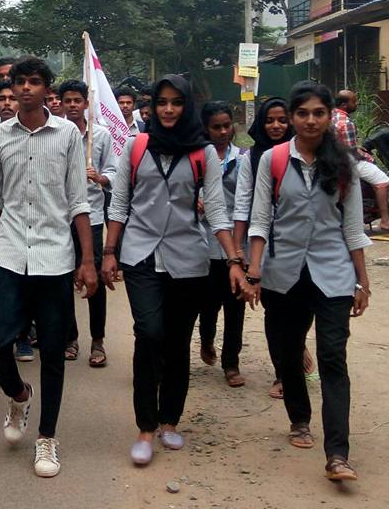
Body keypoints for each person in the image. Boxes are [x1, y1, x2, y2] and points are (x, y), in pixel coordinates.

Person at [104, 75, 251, 467]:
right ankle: (145, 427)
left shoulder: (203, 153)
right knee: (149, 333)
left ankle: (170, 419)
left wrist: (234, 261)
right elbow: (119, 203)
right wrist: (109, 252)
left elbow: (216, 209)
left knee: (177, 341)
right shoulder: (136, 145)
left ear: (187, 107)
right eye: (162, 102)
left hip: (188, 259)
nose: (168, 110)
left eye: (176, 102)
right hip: (140, 255)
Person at [0, 56, 97, 478]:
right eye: (19, 81)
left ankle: (47, 438)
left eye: (34, 82)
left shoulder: (67, 135)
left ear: (47, 90)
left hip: (53, 257)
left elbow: (78, 201)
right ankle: (19, 394)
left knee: (53, 352)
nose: (25, 88)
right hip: (7, 254)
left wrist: (88, 261)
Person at [243, 81, 371, 483]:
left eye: (319, 113)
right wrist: (253, 271)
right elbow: (260, 219)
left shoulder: (344, 163)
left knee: (332, 357)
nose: (311, 120)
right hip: (283, 274)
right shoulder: (274, 160)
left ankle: (338, 454)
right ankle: (299, 418)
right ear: (292, 118)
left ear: (330, 116)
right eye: (303, 113)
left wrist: (362, 282)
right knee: (287, 351)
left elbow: (353, 228)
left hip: (333, 273)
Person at [232, 97, 293, 400]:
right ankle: (283, 372)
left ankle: (295, 349)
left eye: (282, 120)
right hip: (264, 243)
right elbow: (243, 201)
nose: (276, 126)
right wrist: (238, 249)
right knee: (273, 307)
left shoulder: (305, 154)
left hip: (299, 242)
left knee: (299, 306)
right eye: (270, 120)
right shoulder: (252, 159)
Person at [58, 80, 116, 367]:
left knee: (94, 278)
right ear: (61, 103)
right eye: (67, 100)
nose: (72, 105)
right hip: (61, 216)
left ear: (85, 103)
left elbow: (114, 172)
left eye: (77, 100)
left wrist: (99, 177)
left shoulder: (100, 135)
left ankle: (98, 340)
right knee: (63, 277)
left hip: (91, 217)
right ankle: (70, 337)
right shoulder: (55, 134)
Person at [197, 101, 246, 387]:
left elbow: (247, 197)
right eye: (216, 127)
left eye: (227, 126)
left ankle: (231, 362)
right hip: (205, 242)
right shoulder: (197, 158)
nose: (223, 132)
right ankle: (206, 339)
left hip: (235, 243)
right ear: (206, 129)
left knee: (235, 306)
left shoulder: (243, 159)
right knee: (208, 303)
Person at [332, 90, 389, 236]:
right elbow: (351, 152)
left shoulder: (330, 116)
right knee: (382, 180)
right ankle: (386, 221)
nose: (357, 103)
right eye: (354, 101)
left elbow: (343, 144)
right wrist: (366, 156)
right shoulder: (346, 123)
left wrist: (358, 149)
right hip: (347, 162)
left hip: (333, 159)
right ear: (344, 105)